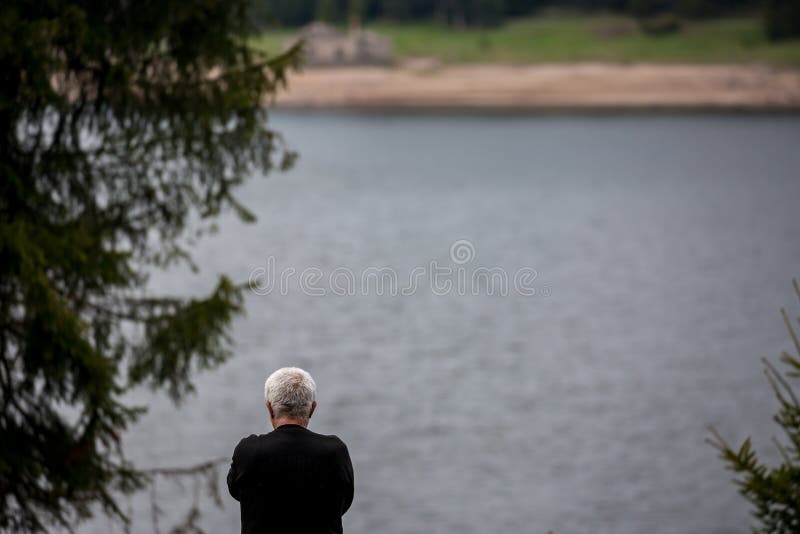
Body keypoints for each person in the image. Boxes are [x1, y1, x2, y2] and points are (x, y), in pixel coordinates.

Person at [227, 367, 354, 534]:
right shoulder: (335, 452)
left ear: (270, 408)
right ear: (312, 409)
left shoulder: (249, 450)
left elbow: (236, 491)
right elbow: (344, 502)